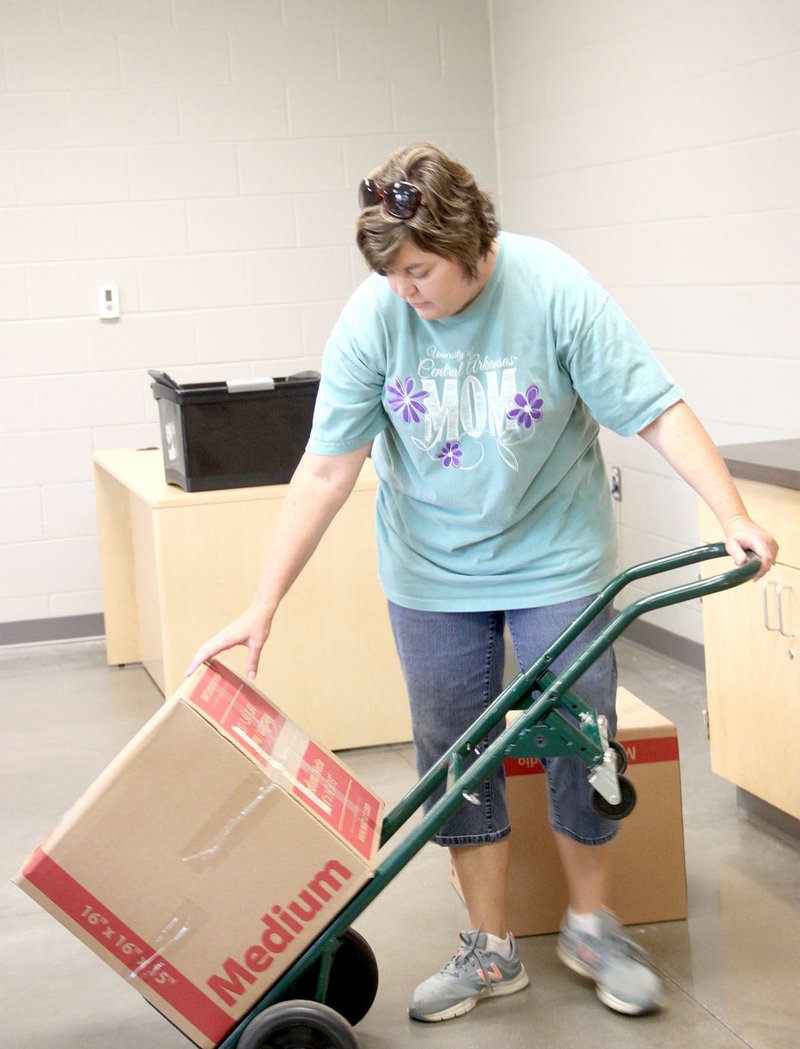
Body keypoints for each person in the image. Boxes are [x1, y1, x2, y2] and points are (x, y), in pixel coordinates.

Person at [187, 143, 777, 1023]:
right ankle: (491, 947)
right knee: (453, 753)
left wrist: (732, 514)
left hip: (558, 554)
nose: (403, 289)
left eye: (418, 270)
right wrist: (262, 599)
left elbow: (653, 405)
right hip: (429, 568)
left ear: (470, 245)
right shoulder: (373, 318)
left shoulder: (554, 290)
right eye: (389, 271)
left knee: (584, 730)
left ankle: (590, 923)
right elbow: (325, 469)